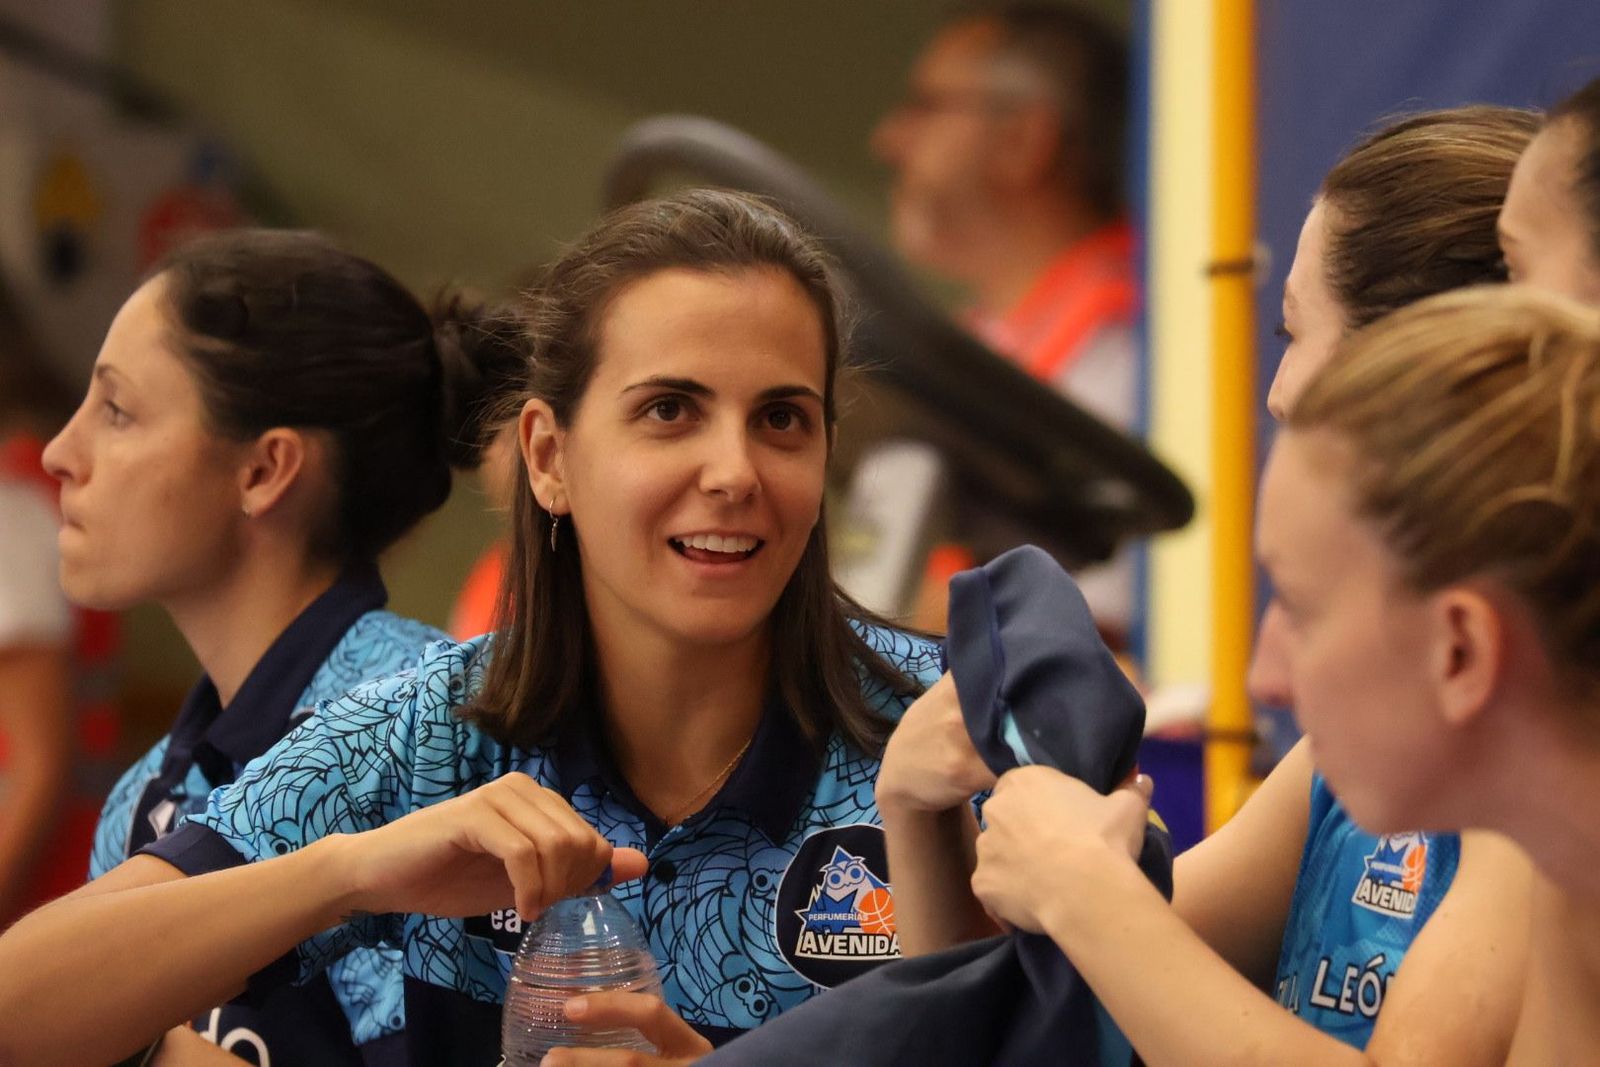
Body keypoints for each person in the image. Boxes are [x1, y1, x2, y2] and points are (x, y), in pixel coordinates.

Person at [0, 190, 943, 1067]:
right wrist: (352, 872)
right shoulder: (426, 737)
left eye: (782, 418)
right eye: (670, 410)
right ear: (547, 457)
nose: (736, 470)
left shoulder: (947, 735)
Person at [880, 106, 1542, 1063]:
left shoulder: (1552, 783)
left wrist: (1091, 889)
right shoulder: (1341, 762)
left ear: (1406, 370)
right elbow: (1024, 1027)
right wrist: (920, 816)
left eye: (1292, 332)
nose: (1275, 392)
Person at [41, 230, 513, 1064]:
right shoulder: (139, 798)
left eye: (117, 410)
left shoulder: (427, 732)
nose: (60, 453)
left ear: (265, 470)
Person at [868, 2, 1138, 634]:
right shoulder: (984, 344)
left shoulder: (1131, 346)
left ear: (1023, 141)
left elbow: (1082, 632)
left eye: (925, 106)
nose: (887, 139)